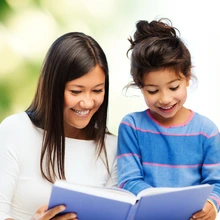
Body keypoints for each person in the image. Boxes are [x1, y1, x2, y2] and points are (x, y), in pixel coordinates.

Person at [0, 32, 117, 220]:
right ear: (52, 87)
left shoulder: (111, 147)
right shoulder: (16, 130)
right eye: (76, 91)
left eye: (97, 90)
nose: (87, 102)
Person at [117, 18, 220, 220]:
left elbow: (217, 183)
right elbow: (128, 181)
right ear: (140, 86)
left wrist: (211, 205)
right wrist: (165, 205)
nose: (165, 99)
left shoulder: (206, 131)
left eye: (174, 88)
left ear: (188, 76)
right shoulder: (132, 126)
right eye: (153, 91)